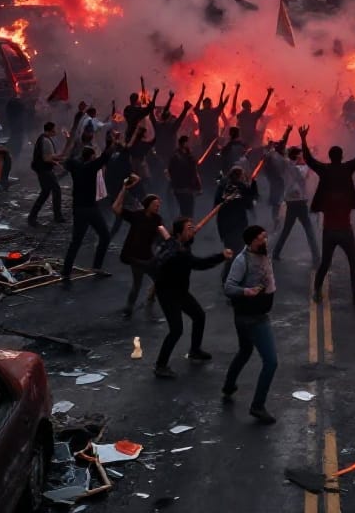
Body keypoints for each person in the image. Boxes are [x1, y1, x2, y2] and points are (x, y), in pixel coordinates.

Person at [300, 122, 355, 306]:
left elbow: (309, 160)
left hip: (329, 230)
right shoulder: (347, 168)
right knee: (353, 265)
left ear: (330, 157)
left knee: (325, 263)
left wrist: (303, 139)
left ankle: (317, 292)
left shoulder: (324, 170)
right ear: (341, 157)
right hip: (345, 229)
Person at [150, 216, 231, 378]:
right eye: (188, 228)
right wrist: (221, 256)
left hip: (180, 291)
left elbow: (182, 241)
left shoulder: (177, 243)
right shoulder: (177, 252)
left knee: (199, 316)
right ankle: (160, 365)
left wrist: (190, 233)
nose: (192, 229)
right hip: (167, 293)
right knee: (176, 330)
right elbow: (199, 264)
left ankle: (195, 350)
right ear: (179, 233)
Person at [222, 225, 279, 424]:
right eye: (261, 238)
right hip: (251, 317)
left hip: (257, 314)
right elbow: (228, 287)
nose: (265, 241)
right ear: (252, 241)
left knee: (245, 351)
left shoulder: (262, 253)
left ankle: (228, 386)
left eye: (265, 237)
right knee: (271, 362)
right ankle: (257, 406)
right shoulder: (241, 260)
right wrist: (247, 291)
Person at [113, 173, 170, 318]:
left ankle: (150, 297)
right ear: (148, 205)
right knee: (137, 284)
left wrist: (168, 243)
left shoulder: (157, 218)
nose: (158, 207)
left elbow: (161, 233)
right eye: (155, 205)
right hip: (135, 256)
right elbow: (116, 208)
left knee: (160, 278)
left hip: (148, 256)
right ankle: (129, 308)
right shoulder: (136, 215)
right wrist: (123, 189)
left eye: (159, 205)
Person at [60, 142, 115, 282]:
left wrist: (72, 146)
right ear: (91, 157)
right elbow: (105, 157)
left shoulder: (75, 166)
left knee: (76, 241)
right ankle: (96, 266)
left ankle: (66, 271)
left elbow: (68, 160)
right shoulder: (90, 167)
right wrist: (112, 143)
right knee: (105, 236)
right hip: (90, 208)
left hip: (78, 208)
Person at [271, 146, 319, 266]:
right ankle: (316, 257)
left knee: (287, 229)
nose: (302, 156)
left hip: (291, 202)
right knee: (309, 230)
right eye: (300, 154)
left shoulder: (286, 167)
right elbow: (305, 173)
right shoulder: (298, 169)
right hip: (300, 202)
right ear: (297, 156)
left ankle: (276, 253)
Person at [214, 164, 258, 277]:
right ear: (240, 176)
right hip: (238, 224)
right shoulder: (241, 187)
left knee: (230, 250)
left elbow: (216, 204)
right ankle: (228, 276)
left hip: (224, 224)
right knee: (237, 251)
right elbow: (249, 204)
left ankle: (229, 276)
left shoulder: (222, 185)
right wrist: (253, 185)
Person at [27, 122, 65, 225]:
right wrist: (57, 160)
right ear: (50, 130)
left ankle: (32, 217)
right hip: (44, 170)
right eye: (54, 129)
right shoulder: (46, 141)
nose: (56, 131)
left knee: (45, 192)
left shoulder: (43, 138)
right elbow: (46, 158)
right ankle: (57, 216)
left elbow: (48, 156)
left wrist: (58, 159)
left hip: (42, 169)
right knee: (56, 190)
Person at [231, 84, 274, 150]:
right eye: (249, 106)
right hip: (250, 142)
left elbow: (233, 107)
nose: (250, 108)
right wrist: (268, 95)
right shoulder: (251, 116)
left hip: (242, 142)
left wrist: (237, 90)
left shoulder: (240, 116)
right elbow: (262, 109)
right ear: (248, 107)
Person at [168, 134, 201, 218]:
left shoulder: (188, 156)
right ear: (184, 143)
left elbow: (194, 172)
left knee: (188, 211)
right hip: (182, 187)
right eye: (189, 142)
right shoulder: (177, 157)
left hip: (187, 187)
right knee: (185, 210)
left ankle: (186, 227)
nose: (191, 144)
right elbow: (172, 172)